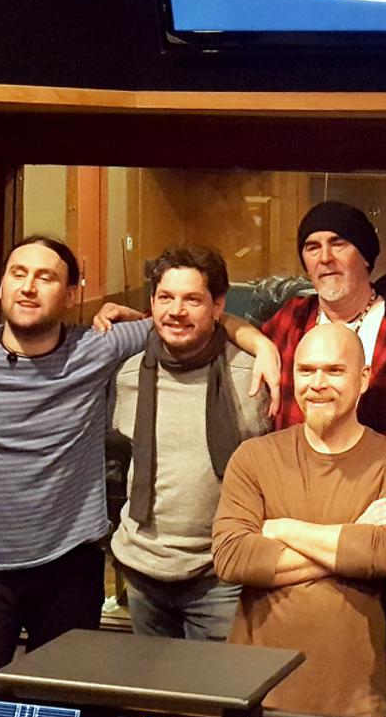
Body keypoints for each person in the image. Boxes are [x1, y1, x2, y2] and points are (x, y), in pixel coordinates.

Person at [0, 235, 280, 674]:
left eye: (45, 277)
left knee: (64, 699)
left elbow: (191, 319)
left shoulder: (97, 349)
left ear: (70, 294)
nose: (29, 287)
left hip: (70, 566)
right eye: (19, 273)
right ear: (1, 287)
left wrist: (262, 345)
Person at [211, 323, 386, 717]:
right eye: (306, 370)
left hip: (357, 698)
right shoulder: (253, 456)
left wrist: (280, 528)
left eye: (334, 370)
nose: (318, 384)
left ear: (363, 378)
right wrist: (352, 538)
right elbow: (233, 557)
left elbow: (383, 553)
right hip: (256, 690)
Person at [107, 246, 269, 642]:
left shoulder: (253, 376)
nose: (176, 311)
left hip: (220, 577)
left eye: (192, 299)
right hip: (141, 571)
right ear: (152, 303)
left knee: (217, 683)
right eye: (166, 297)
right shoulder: (126, 372)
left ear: (218, 306)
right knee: (150, 682)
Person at [259, 201, 386, 453]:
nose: (325, 258)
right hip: (293, 472)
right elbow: (221, 324)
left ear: (365, 256)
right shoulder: (291, 320)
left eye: (338, 244)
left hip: (382, 476)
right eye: (312, 247)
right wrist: (258, 343)